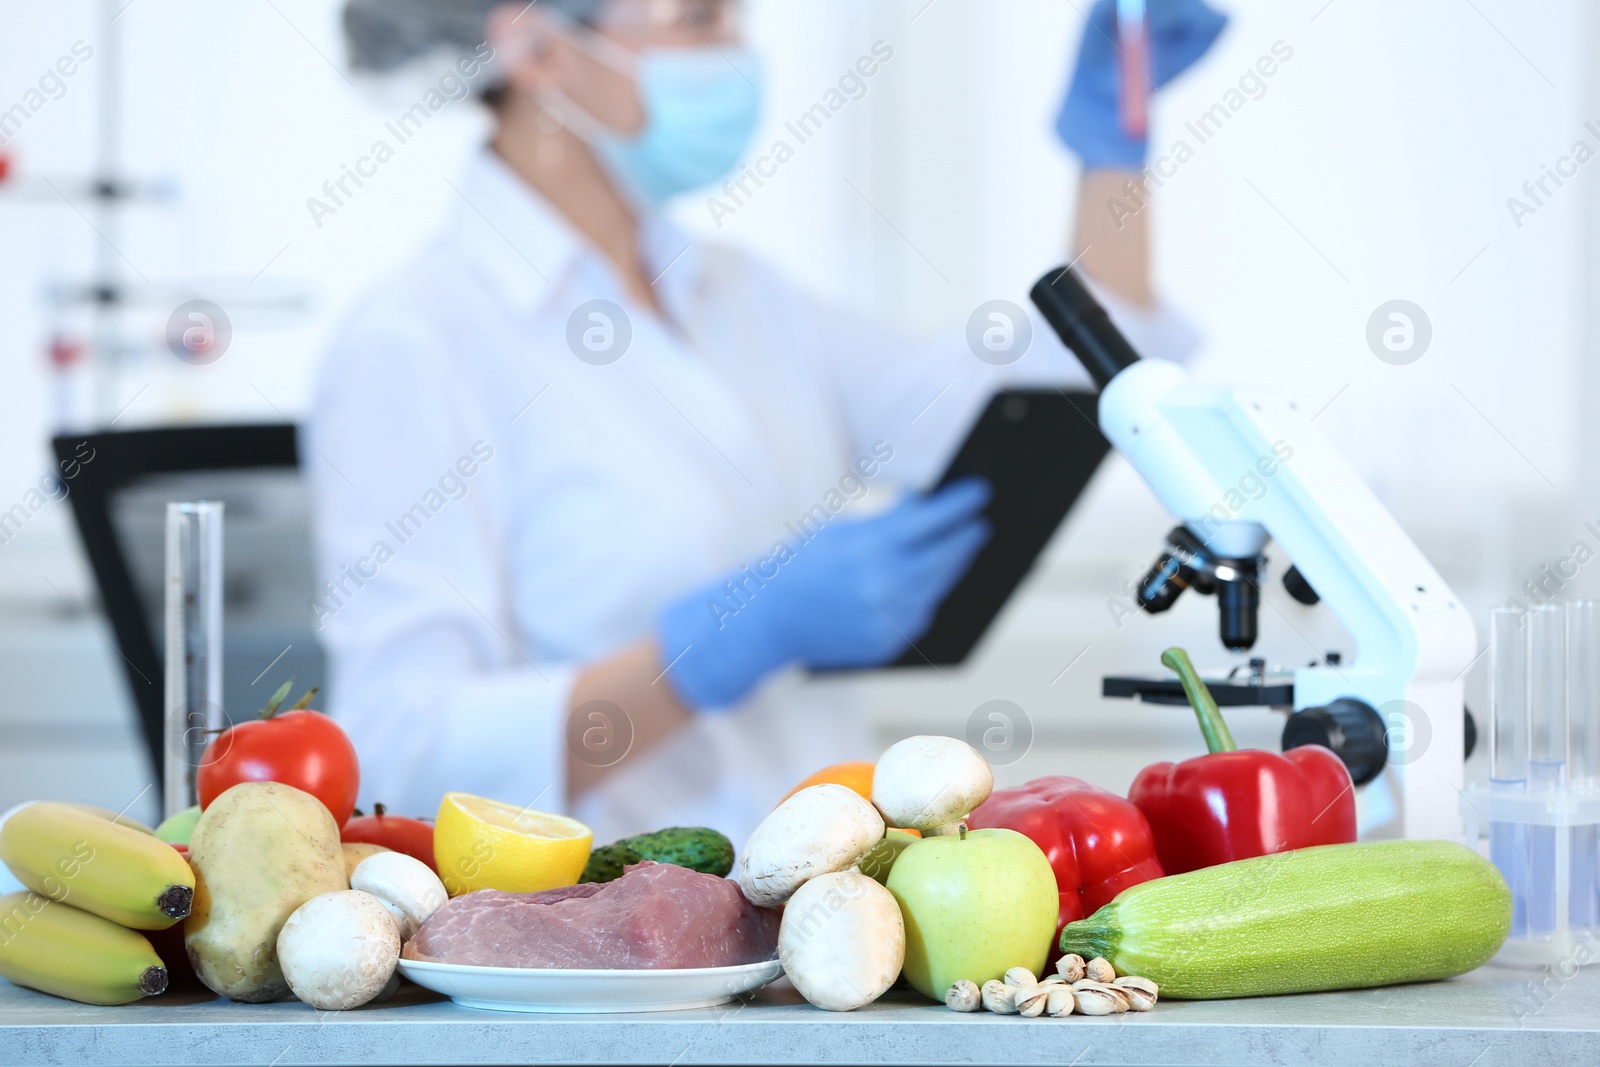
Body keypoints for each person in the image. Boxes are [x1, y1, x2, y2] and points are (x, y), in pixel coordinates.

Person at [312, 0, 1227, 844]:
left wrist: (1114, 147)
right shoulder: (414, 342)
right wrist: (708, 651)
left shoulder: (741, 295)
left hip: (816, 923)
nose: (738, 55)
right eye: (698, 18)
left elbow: (1064, 385)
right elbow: (403, 751)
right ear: (539, 48)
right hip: (599, 960)